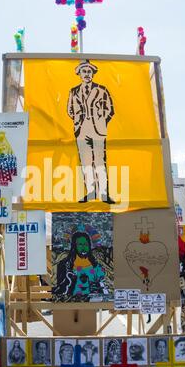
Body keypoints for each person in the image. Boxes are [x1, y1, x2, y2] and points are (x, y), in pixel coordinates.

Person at [67, 60, 115, 203]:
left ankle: (104, 193)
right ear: (79, 74)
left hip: (98, 130)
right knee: (86, 163)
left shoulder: (102, 90)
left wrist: (101, 121)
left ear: (92, 74)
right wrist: (78, 121)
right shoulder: (73, 91)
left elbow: (110, 110)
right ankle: (91, 192)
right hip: (81, 130)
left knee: (100, 162)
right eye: (84, 71)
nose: (87, 74)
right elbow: (70, 110)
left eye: (89, 72)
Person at [54, 231, 105, 299]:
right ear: (74, 246)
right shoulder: (64, 265)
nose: (83, 248)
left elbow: (102, 286)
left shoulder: (96, 266)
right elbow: (61, 289)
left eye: (86, 244)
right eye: (80, 244)